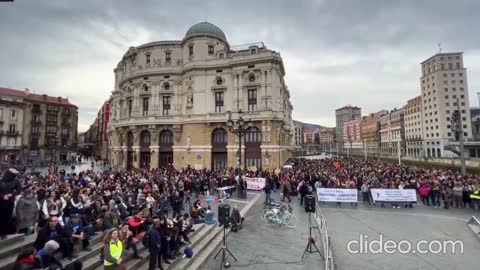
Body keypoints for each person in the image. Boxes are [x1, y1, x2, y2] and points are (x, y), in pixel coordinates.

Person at [0, 168, 21, 239]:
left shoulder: (15, 181)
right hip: (1, 201)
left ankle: (3, 233)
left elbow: (19, 189)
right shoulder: (1, 180)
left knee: (7, 218)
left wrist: (12, 194)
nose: (14, 176)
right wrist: (3, 196)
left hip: (9, 202)